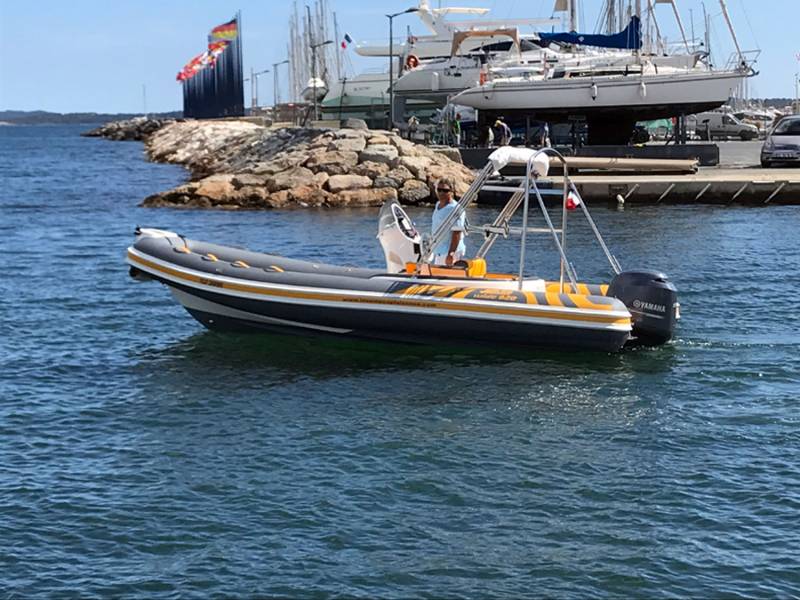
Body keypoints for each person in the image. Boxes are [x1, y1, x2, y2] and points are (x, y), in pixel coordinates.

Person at [430, 178, 466, 267]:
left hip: (449, 252)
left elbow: (457, 232)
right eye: (439, 190)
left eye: (445, 190)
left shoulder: (455, 209)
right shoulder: (438, 204)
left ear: (451, 191)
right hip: (439, 250)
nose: (442, 193)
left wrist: (451, 254)